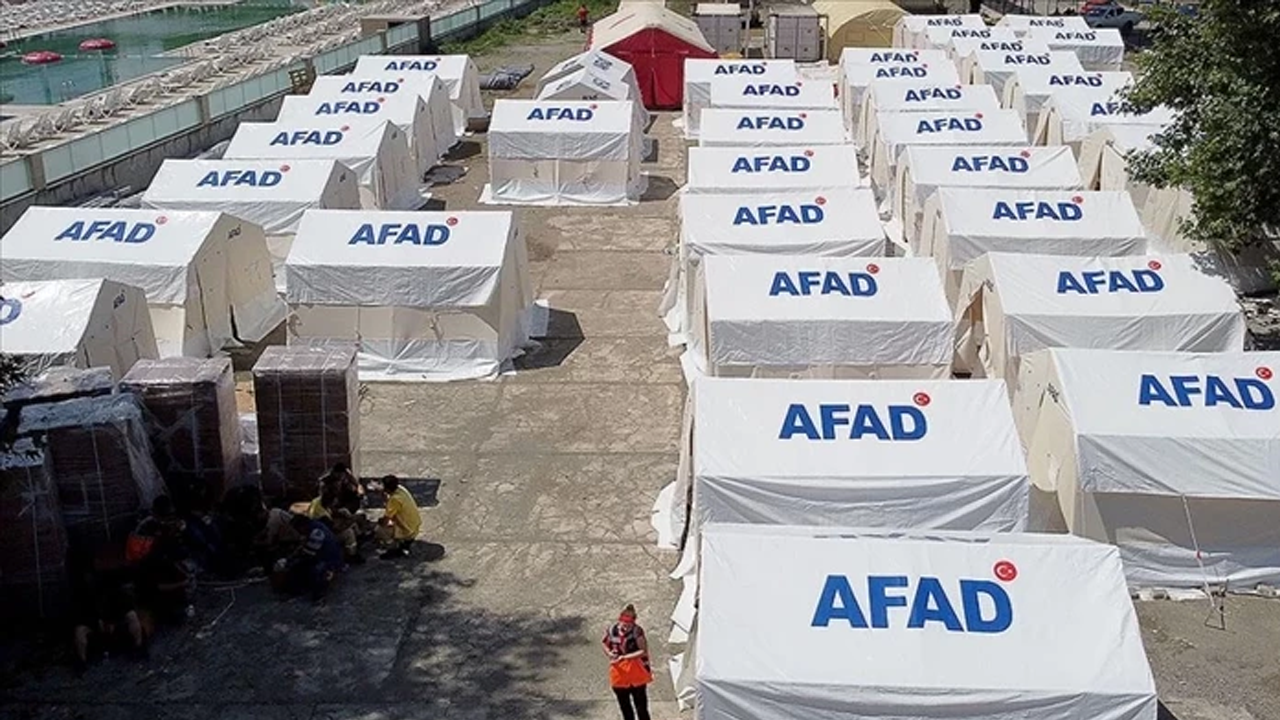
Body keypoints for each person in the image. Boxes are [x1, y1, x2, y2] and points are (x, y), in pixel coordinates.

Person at [601, 604, 652, 720]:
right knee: (625, 707)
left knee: (641, 708)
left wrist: (625, 657)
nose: (627, 625)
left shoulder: (637, 631)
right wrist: (609, 653)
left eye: (630, 621)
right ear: (620, 618)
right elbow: (604, 643)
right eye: (625, 620)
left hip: (636, 674)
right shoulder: (612, 630)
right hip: (619, 675)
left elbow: (643, 651)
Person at [280, 515, 344, 601]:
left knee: (304, 566)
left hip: (329, 559)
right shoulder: (315, 526)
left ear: (301, 526)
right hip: (327, 555)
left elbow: (309, 553)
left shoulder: (316, 532)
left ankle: (317, 594)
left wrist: (291, 560)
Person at [306, 488, 364, 564]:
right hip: (325, 536)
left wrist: (341, 513)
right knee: (349, 533)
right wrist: (350, 521)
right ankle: (351, 554)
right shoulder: (321, 515)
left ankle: (360, 538)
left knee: (349, 520)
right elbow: (334, 529)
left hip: (320, 528)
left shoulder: (318, 501)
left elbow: (332, 511)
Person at [377, 475, 421, 560]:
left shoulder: (394, 500)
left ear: (387, 489)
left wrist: (379, 523)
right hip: (414, 525)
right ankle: (403, 540)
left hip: (408, 529)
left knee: (380, 530)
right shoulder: (401, 489)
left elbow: (386, 519)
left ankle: (394, 548)